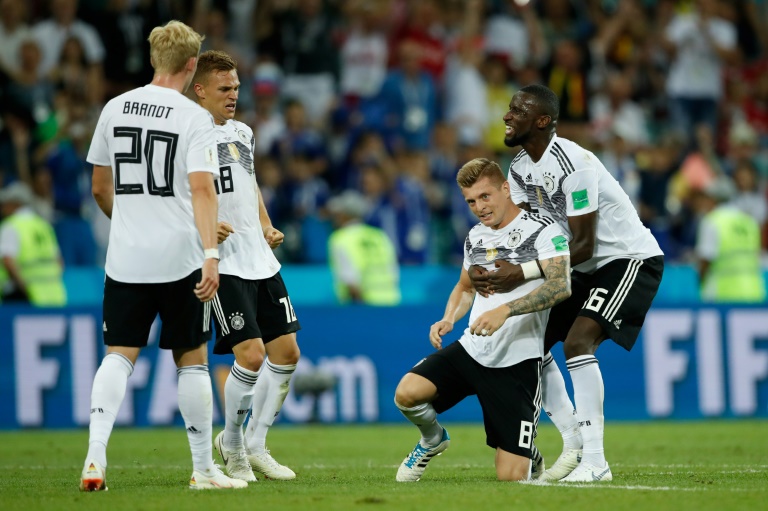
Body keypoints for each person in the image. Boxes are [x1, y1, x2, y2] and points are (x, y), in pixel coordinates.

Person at [79, 21, 246, 491]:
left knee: (118, 357)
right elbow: (201, 188)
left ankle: (95, 460)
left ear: (154, 59)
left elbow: (98, 186)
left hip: (126, 259)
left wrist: (133, 223)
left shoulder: (114, 108)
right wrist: (211, 253)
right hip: (182, 259)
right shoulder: (193, 117)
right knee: (190, 359)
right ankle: (203, 470)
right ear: (192, 65)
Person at [470, 84, 664, 482]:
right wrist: (489, 265)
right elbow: (528, 233)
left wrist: (521, 272)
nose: (507, 116)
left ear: (542, 121)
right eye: (509, 109)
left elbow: (583, 244)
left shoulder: (574, 164)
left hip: (625, 259)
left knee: (578, 342)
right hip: (581, 265)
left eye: (517, 111)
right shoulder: (521, 167)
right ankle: (573, 440)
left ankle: (596, 462)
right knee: (528, 341)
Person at [394, 157, 572, 482]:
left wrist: (505, 310)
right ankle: (433, 439)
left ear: (505, 188)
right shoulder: (476, 237)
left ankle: (527, 450)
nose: (479, 207)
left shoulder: (543, 230)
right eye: (471, 201)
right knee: (406, 393)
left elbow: (560, 285)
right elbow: (464, 287)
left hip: (516, 363)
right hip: (472, 350)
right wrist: (448, 318)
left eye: (485, 196)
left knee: (510, 479)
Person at [191, 50, 301, 482]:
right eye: (224, 88)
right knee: (251, 355)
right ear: (200, 90)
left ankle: (255, 442)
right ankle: (232, 444)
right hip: (224, 261)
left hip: (259, 255)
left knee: (288, 353)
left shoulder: (243, 132)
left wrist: (266, 224)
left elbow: (248, 184)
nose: (234, 94)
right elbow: (179, 194)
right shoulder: (187, 135)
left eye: (236, 86)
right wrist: (200, 226)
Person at [695, 178, 765, 303]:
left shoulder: (712, 221)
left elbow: (705, 259)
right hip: (754, 292)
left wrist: (700, 283)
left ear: (713, 199)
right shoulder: (749, 222)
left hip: (724, 294)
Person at [327, 189, 400, 306]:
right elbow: (393, 271)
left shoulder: (340, 238)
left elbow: (350, 280)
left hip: (363, 305)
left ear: (345, 215)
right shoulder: (379, 235)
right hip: (390, 302)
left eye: (337, 213)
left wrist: (361, 309)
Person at [0, 181, 66, 306]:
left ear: (15, 204)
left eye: (5, 203)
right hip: (52, 296)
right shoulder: (43, 225)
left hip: (23, 296)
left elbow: (7, 260)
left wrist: (24, 288)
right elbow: (59, 263)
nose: (2, 207)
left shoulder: (10, 226)